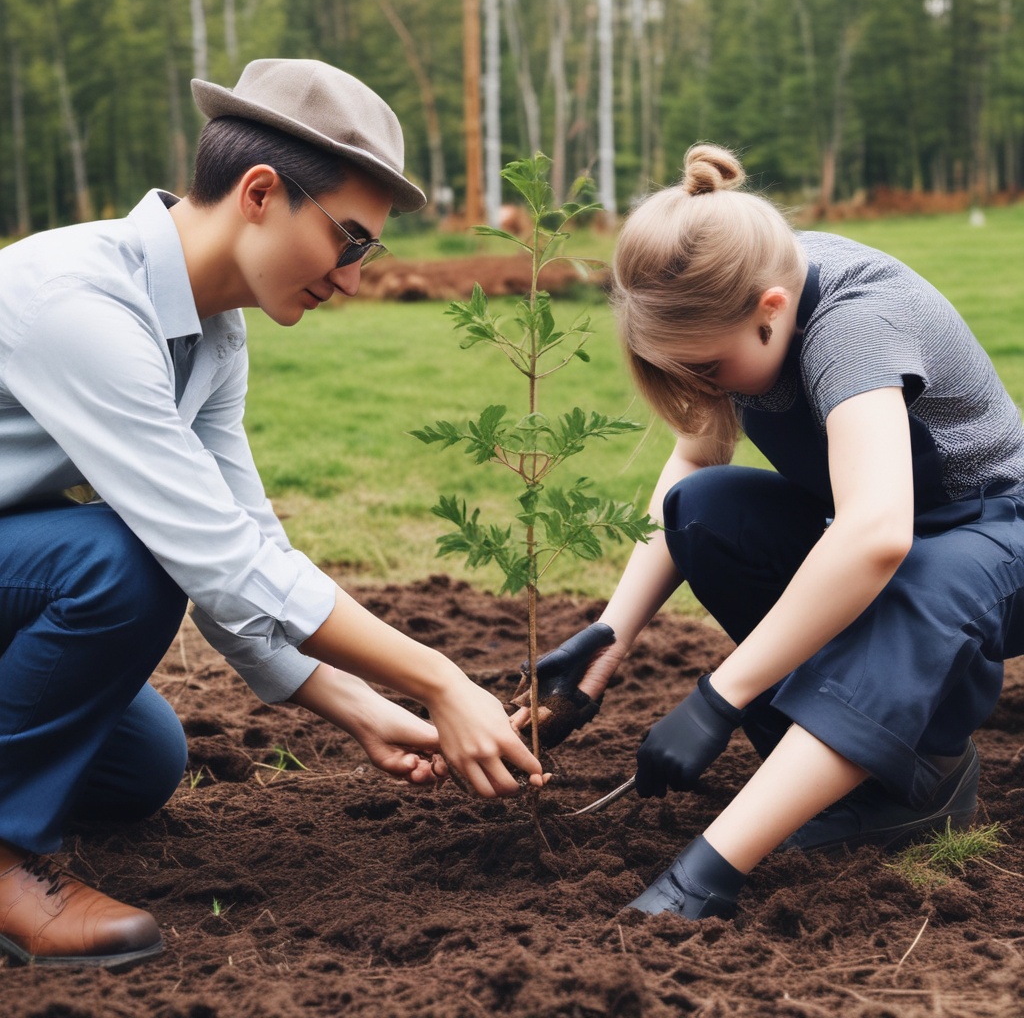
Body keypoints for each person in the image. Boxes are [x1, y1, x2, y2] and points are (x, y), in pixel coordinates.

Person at [0, 58, 546, 968]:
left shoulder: (214, 333)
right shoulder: (78, 300)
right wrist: (440, 680)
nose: (355, 278)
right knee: (123, 563)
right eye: (351, 241)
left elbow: (247, 540)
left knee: (141, 764)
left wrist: (362, 708)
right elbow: (211, 557)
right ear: (260, 193)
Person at [519, 143, 1024, 919]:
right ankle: (886, 775)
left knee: (910, 576)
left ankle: (714, 871)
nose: (699, 389)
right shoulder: (748, 289)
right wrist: (607, 638)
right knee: (707, 513)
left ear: (773, 311)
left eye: (708, 370)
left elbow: (878, 537)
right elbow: (695, 461)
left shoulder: (854, 324)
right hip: (905, 535)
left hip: (998, 533)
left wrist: (720, 699)